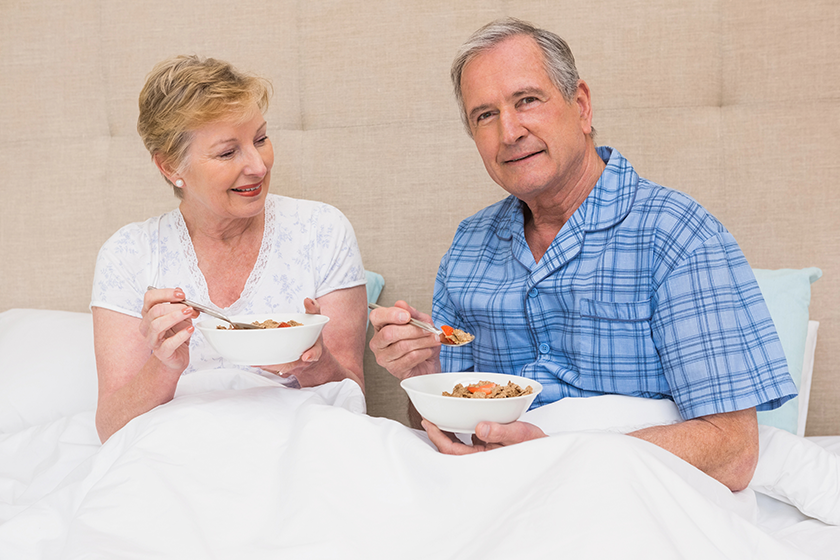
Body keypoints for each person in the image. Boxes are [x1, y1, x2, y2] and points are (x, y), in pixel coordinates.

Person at [369, 18, 797, 492]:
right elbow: (448, 429)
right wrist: (426, 376)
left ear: (581, 106)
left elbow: (733, 451)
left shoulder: (676, 235)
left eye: (527, 100)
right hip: (494, 491)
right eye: (484, 116)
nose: (509, 131)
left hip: (632, 496)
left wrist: (557, 456)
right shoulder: (468, 248)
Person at [91, 55, 368, 443]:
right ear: (171, 166)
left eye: (261, 139)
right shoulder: (129, 254)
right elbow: (111, 427)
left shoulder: (321, 230)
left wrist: (312, 363)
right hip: (177, 451)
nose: (258, 166)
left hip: (298, 444)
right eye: (227, 152)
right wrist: (166, 365)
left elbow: (352, 397)